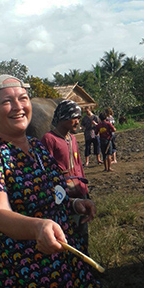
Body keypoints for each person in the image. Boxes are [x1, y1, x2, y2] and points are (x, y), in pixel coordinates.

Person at [0, 75, 100, 288]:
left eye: (23, 98)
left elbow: (51, 194)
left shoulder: (37, 147)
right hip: (20, 276)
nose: (18, 106)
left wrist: (74, 204)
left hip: (59, 267)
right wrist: (38, 227)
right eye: (7, 101)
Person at [41, 100, 92, 249]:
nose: (78, 121)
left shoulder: (72, 139)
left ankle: (84, 260)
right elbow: (45, 171)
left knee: (82, 233)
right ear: (64, 117)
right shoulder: (49, 139)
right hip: (63, 196)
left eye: (79, 118)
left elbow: (78, 165)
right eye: (75, 117)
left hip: (79, 192)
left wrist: (85, 192)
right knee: (66, 235)